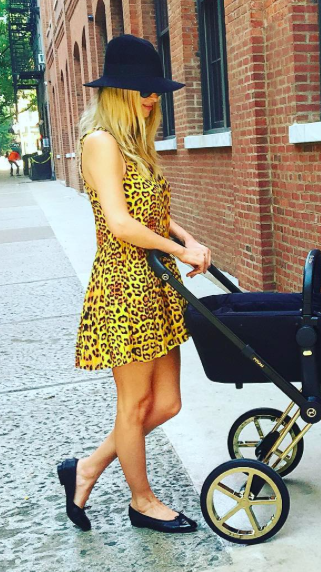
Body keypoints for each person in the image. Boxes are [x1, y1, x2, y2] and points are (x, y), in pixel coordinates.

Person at [57, 34, 212, 535]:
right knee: (134, 405)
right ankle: (141, 502)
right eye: (142, 90)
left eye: (155, 90)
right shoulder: (100, 143)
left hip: (154, 285)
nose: (152, 98)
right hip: (124, 287)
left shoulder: (133, 144)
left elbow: (154, 214)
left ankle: (87, 468)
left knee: (167, 403)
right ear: (117, 90)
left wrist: (187, 236)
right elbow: (121, 224)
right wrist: (178, 250)